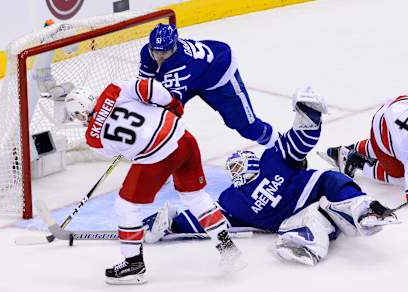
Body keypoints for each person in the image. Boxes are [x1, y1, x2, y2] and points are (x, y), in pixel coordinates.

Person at [143, 86, 400, 266]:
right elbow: (212, 220)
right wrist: (170, 222)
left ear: (252, 160)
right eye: (232, 170)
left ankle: (363, 208)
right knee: (312, 220)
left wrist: (308, 113)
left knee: (332, 180)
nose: (236, 171)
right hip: (291, 218)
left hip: (308, 190)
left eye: (239, 164)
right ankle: (304, 242)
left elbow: (301, 140)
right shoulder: (231, 199)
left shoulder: (273, 159)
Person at [64, 78, 247, 285]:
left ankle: (133, 264)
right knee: (195, 197)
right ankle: (227, 247)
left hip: (157, 157)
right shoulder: (115, 89)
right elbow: (149, 87)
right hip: (183, 139)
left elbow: (118, 151)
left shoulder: (93, 138)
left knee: (126, 205)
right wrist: (173, 104)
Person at [138, 23, 277, 147]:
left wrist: (151, 115)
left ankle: (278, 145)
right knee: (163, 113)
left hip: (219, 74)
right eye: (156, 52)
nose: (159, 57)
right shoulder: (147, 52)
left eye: (164, 52)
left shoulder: (181, 66)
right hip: (195, 73)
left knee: (248, 128)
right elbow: (143, 85)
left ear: (174, 48)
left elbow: (171, 102)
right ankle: (156, 148)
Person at [321, 95, 408, 202]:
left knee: (395, 143)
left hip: (399, 105)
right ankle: (358, 162)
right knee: (399, 176)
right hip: (384, 124)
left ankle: (356, 148)